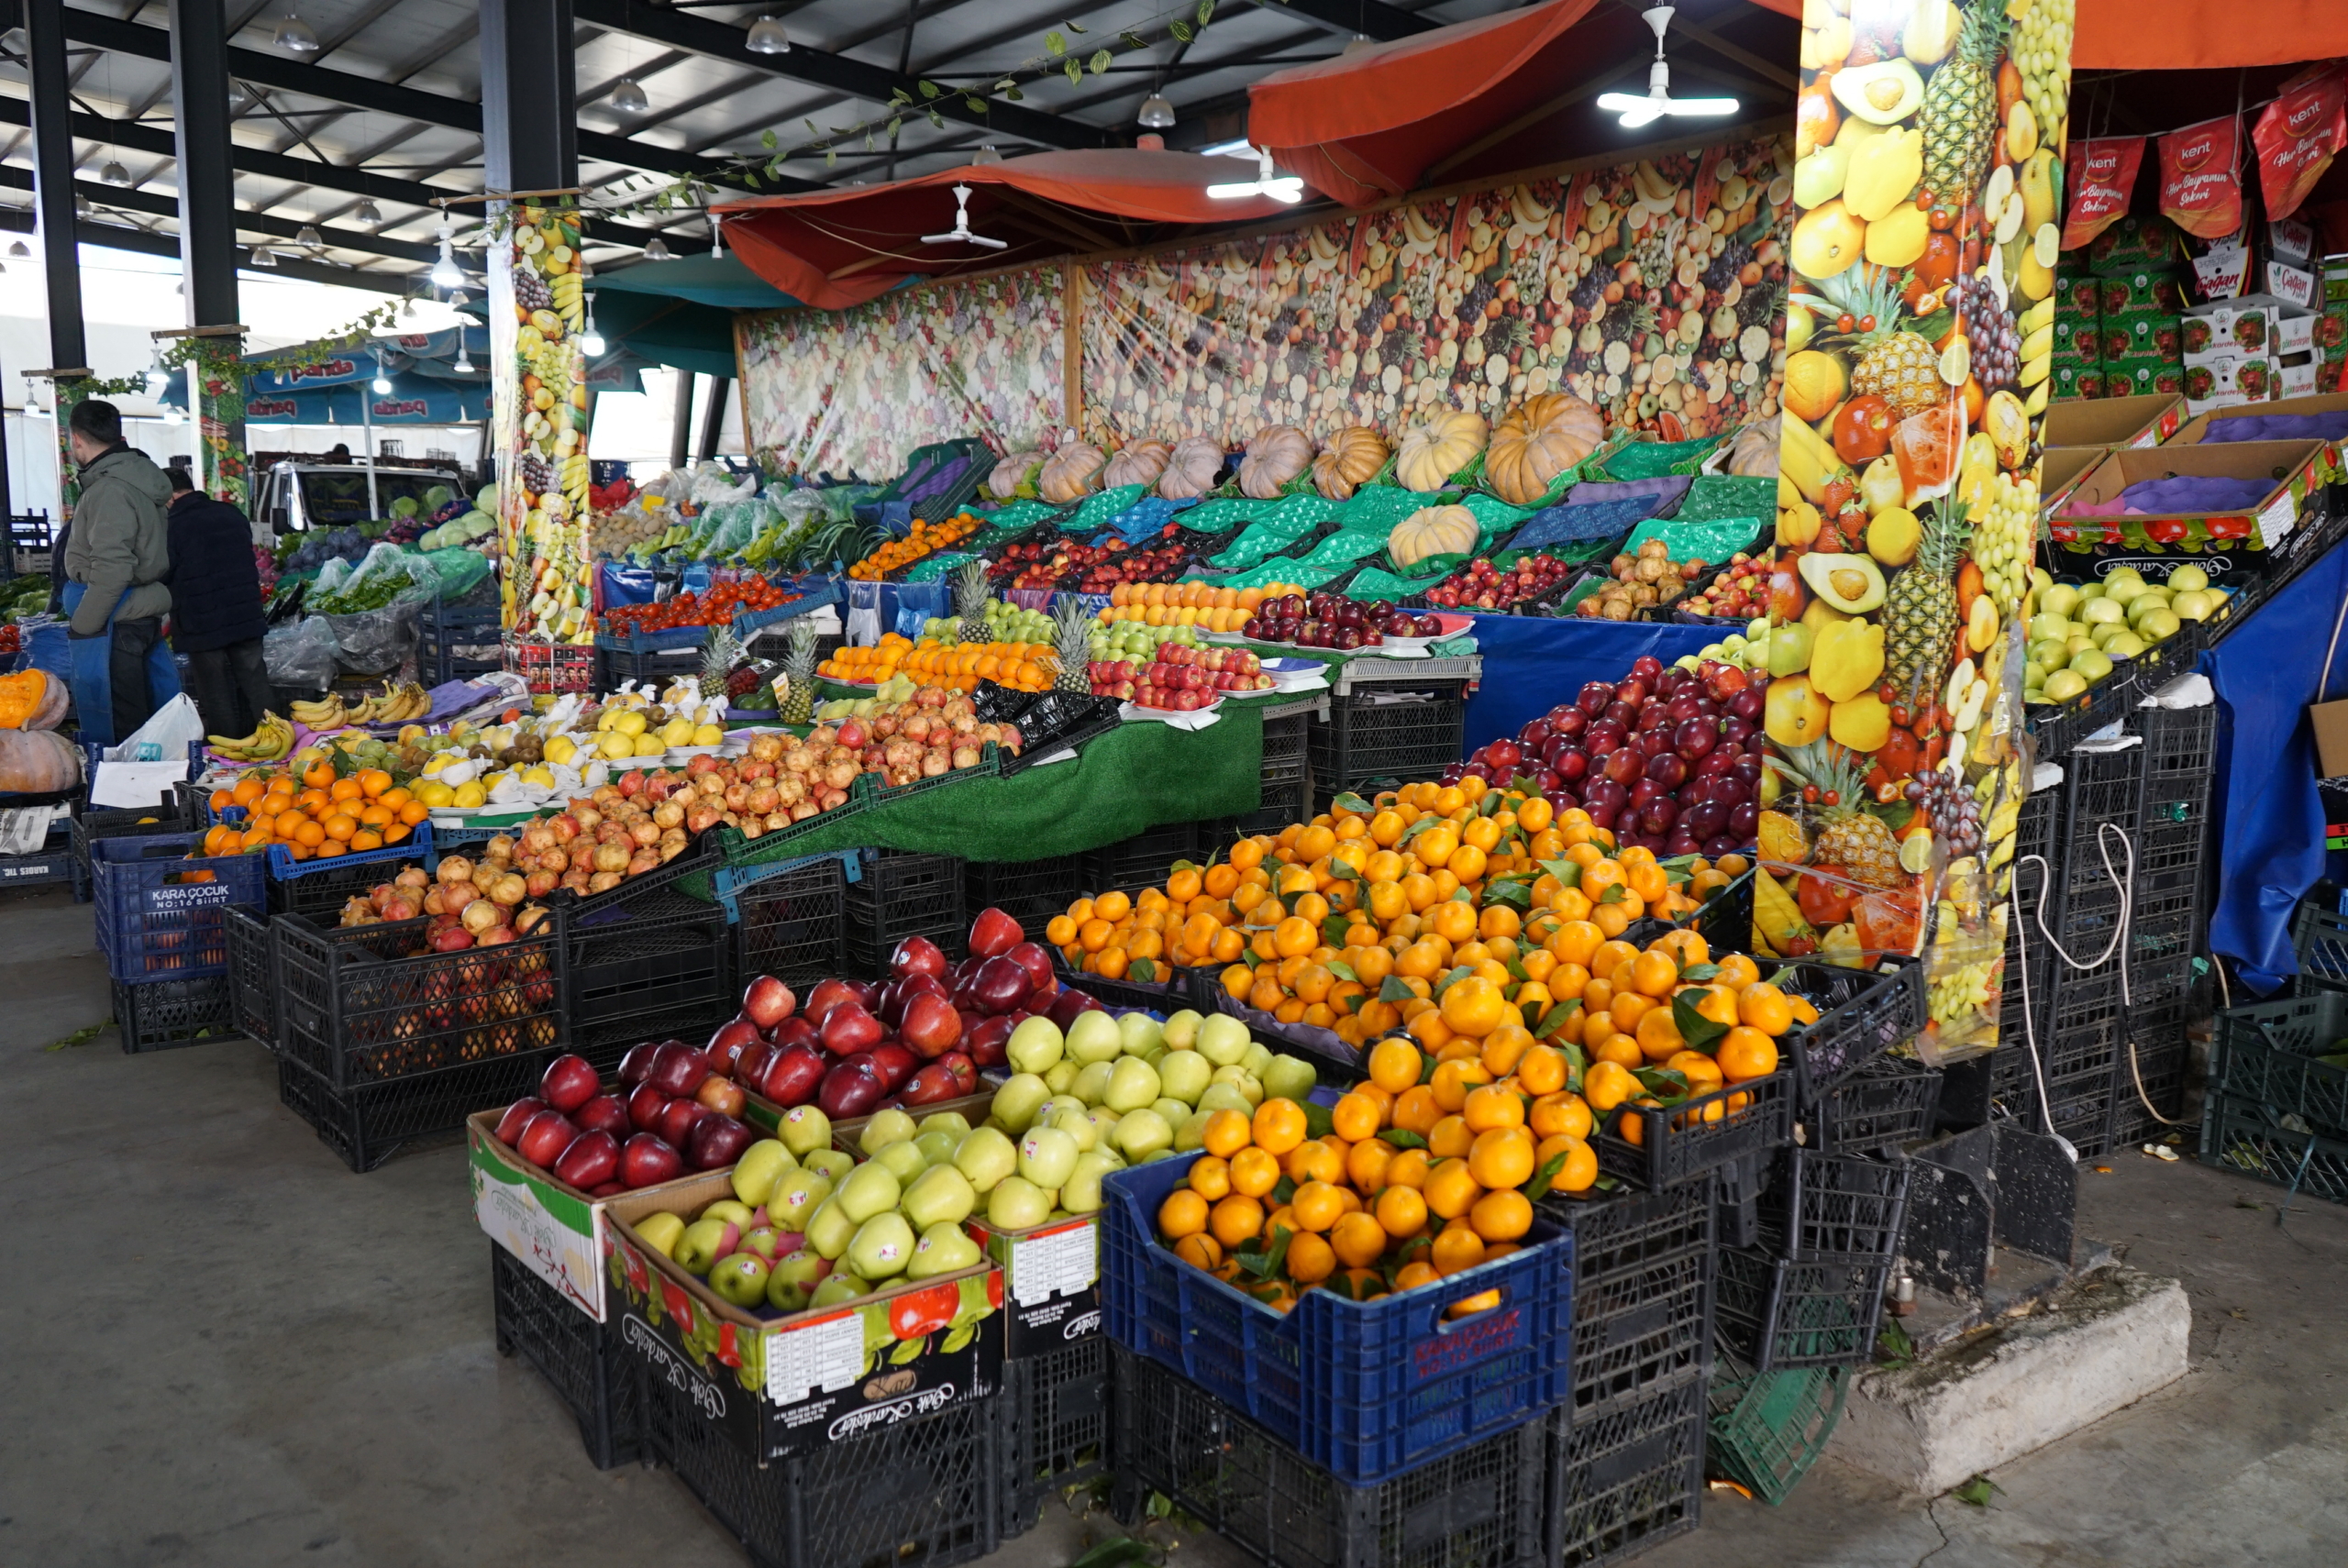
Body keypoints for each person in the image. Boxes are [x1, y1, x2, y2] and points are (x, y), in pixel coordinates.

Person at [61, 399, 181, 745]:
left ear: (77, 439)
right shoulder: (136, 479)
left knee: (122, 731)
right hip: (137, 617)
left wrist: (83, 626)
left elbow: (113, 569)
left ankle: (129, 798)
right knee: (147, 723)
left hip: (117, 624)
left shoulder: (110, 489)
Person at [164, 467, 274, 738]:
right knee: (256, 681)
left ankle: (229, 751)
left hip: (201, 621)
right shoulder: (231, 513)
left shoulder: (172, 525)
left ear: (168, 495)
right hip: (245, 613)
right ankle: (276, 742)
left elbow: (164, 571)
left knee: (216, 691)